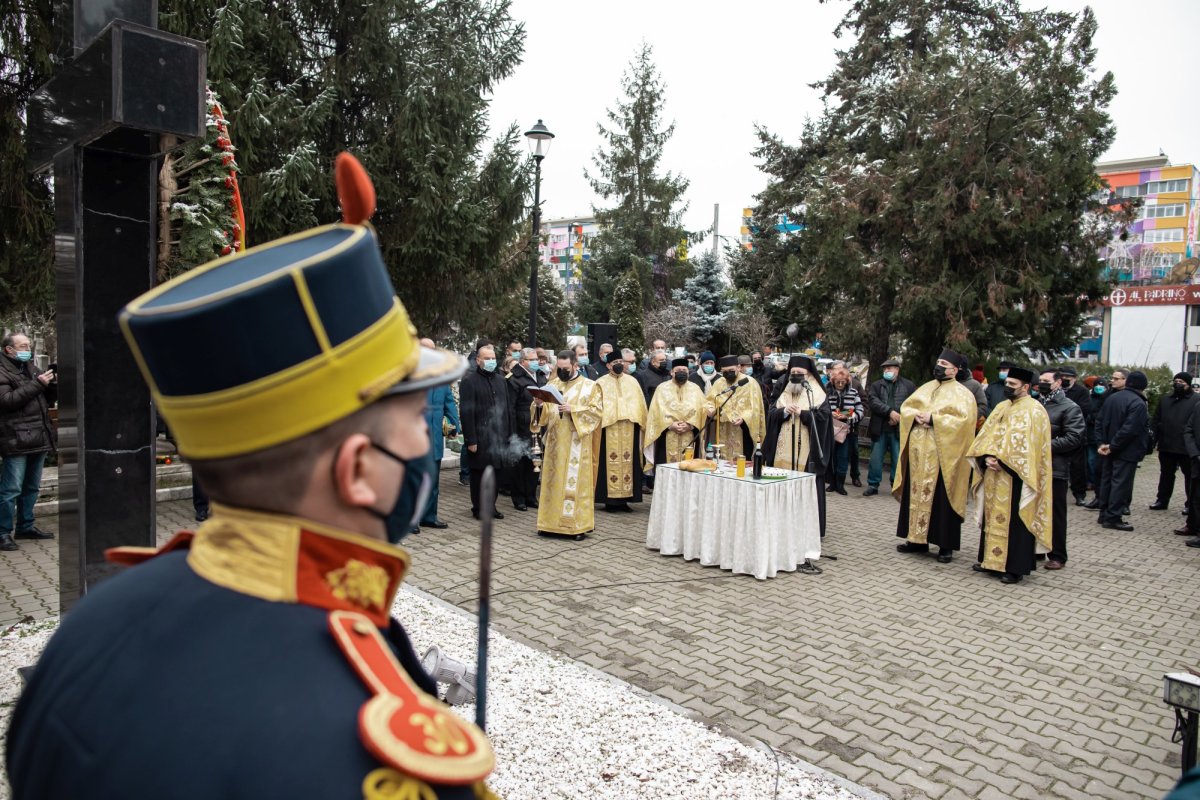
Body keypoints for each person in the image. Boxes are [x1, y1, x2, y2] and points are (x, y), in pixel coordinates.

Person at [6, 154, 500, 797]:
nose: (425, 441)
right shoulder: (380, 760)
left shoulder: (89, 629)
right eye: (414, 418)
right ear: (357, 471)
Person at [967, 366, 1053, 584]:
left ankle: (1014, 567)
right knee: (991, 517)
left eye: (1013, 385)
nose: (1008, 387)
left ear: (1025, 387)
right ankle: (990, 561)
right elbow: (986, 436)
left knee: (1016, 521)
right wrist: (985, 458)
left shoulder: (1035, 410)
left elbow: (1032, 449)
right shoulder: (1001, 407)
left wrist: (1003, 462)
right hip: (994, 474)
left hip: (1017, 477)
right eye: (1007, 383)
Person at [894, 351, 978, 563]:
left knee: (942, 498)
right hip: (918, 455)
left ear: (955, 370)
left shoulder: (963, 394)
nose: (939, 366)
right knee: (915, 495)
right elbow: (906, 408)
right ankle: (915, 540)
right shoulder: (926, 387)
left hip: (944, 458)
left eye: (944, 363)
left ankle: (945, 546)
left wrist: (935, 419)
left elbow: (964, 423)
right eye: (938, 362)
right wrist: (915, 416)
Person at [533, 350, 603, 539]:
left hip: (576, 444)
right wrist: (539, 405)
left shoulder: (590, 386)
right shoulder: (552, 384)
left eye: (566, 368)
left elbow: (596, 413)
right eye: (559, 368)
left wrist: (574, 410)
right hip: (555, 443)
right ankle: (548, 524)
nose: (562, 372)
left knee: (574, 484)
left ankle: (575, 527)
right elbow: (545, 414)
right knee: (552, 483)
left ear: (575, 365)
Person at [762, 355, 833, 535]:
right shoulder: (784, 389)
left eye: (799, 373)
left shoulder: (817, 393)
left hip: (807, 452)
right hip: (782, 448)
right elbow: (771, 413)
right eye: (792, 372)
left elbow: (824, 419)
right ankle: (778, 523)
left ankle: (806, 528)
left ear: (808, 374)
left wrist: (805, 414)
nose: (795, 376)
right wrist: (783, 412)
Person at [0, 332, 57, 551]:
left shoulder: (31, 367)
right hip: (15, 438)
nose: (28, 349)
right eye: (23, 345)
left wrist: (52, 384)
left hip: (38, 435)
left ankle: (26, 526)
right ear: (9, 350)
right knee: (11, 489)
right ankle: (3, 532)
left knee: (31, 487)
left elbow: (44, 399)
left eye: (28, 345)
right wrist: (38, 384)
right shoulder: (3, 370)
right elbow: (7, 401)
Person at [1034, 368, 1085, 570]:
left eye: (1046, 380)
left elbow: (1074, 437)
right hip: (1032, 466)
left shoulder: (1069, 407)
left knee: (1055, 512)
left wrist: (1044, 446)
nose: (1042, 384)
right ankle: (1036, 548)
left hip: (1055, 467)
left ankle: (1057, 555)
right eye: (1040, 380)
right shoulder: (1036, 404)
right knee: (1033, 508)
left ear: (1057, 383)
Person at [459, 344, 513, 521]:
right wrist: (471, 440)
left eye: (493, 358)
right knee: (479, 475)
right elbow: (466, 412)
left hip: (499, 436)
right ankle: (479, 508)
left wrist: (509, 434)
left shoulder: (500, 380)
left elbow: (507, 409)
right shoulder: (469, 381)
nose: (491, 361)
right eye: (487, 358)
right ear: (478, 360)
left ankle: (491, 506)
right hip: (481, 437)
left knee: (496, 474)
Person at [1093, 370, 1149, 531]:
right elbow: (1130, 429)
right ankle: (1113, 517)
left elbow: (1100, 421)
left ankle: (1103, 514)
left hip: (1108, 448)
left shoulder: (1112, 398)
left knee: (1107, 481)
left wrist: (1102, 443)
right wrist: (1112, 446)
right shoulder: (1138, 403)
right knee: (1120, 484)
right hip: (1125, 450)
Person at [594, 349, 648, 512]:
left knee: (629, 463)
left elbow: (640, 404)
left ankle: (625, 500)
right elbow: (596, 406)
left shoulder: (632, 381)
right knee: (608, 462)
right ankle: (609, 501)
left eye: (620, 362)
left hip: (629, 428)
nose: (618, 365)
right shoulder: (600, 382)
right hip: (608, 428)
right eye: (614, 363)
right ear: (608, 365)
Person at [643, 358, 707, 469]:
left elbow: (702, 411)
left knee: (690, 469)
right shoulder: (662, 388)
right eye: (678, 370)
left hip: (690, 435)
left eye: (684, 370)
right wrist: (669, 425)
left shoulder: (695, 389)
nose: (682, 372)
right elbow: (655, 413)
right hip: (666, 435)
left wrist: (690, 425)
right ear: (671, 372)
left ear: (688, 372)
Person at [864, 357, 915, 497]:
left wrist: (899, 417)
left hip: (898, 429)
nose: (886, 371)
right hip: (880, 428)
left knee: (897, 459)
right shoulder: (876, 385)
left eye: (889, 368)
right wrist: (889, 413)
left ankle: (896, 485)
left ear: (897, 370)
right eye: (885, 369)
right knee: (875, 459)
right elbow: (873, 402)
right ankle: (873, 485)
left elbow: (913, 405)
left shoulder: (908, 385)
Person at [1150, 372, 1198, 512]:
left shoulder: (1196, 400)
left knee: (1190, 476)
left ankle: (1191, 504)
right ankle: (1162, 500)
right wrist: (1154, 437)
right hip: (1167, 444)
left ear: (1188, 384)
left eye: (1181, 381)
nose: (1178, 383)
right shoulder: (1166, 399)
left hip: (1186, 447)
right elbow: (1156, 419)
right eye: (1176, 380)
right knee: (1166, 474)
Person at [703, 356, 766, 461]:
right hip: (723, 428)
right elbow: (710, 400)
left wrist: (743, 418)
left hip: (743, 429)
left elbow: (756, 407)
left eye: (731, 370)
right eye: (725, 371)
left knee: (742, 463)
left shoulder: (749, 382)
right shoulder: (719, 383)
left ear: (738, 367)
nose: (728, 373)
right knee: (723, 461)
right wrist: (710, 410)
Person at [507, 347, 544, 512]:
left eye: (536, 359)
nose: (536, 362)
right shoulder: (515, 379)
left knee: (535, 461)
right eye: (532, 359)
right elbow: (510, 408)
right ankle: (519, 498)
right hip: (521, 426)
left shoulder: (541, 376)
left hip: (538, 424)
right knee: (520, 463)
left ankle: (531, 496)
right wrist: (512, 431)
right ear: (523, 361)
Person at [823, 362, 863, 495]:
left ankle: (840, 484)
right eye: (838, 382)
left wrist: (846, 415)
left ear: (847, 381)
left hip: (847, 432)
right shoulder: (826, 393)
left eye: (843, 382)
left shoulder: (853, 392)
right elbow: (820, 410)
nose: (840, 384)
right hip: (830, 431)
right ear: (833, 380)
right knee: (831, 458)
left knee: (843, 458)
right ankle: (832, 483)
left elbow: (860, 411)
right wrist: (831, 414)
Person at [1058, 366, 1094, 504]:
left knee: (1078, 467)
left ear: (1074, 378)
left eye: (1068, 377)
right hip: (1057, 434)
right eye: (1063, 376)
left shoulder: (1082, 391)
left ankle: (1079, 494)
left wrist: (1065, 414)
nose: (1065, 379)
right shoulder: (1055, 390)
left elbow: (1085, 409)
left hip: (1075, 433)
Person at [953, 352, 989, 421]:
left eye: (960, 368)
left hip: (966, 425)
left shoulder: (975, 385)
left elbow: (983, 406)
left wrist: (969, 419)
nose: (958, 370)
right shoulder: (946, 382)